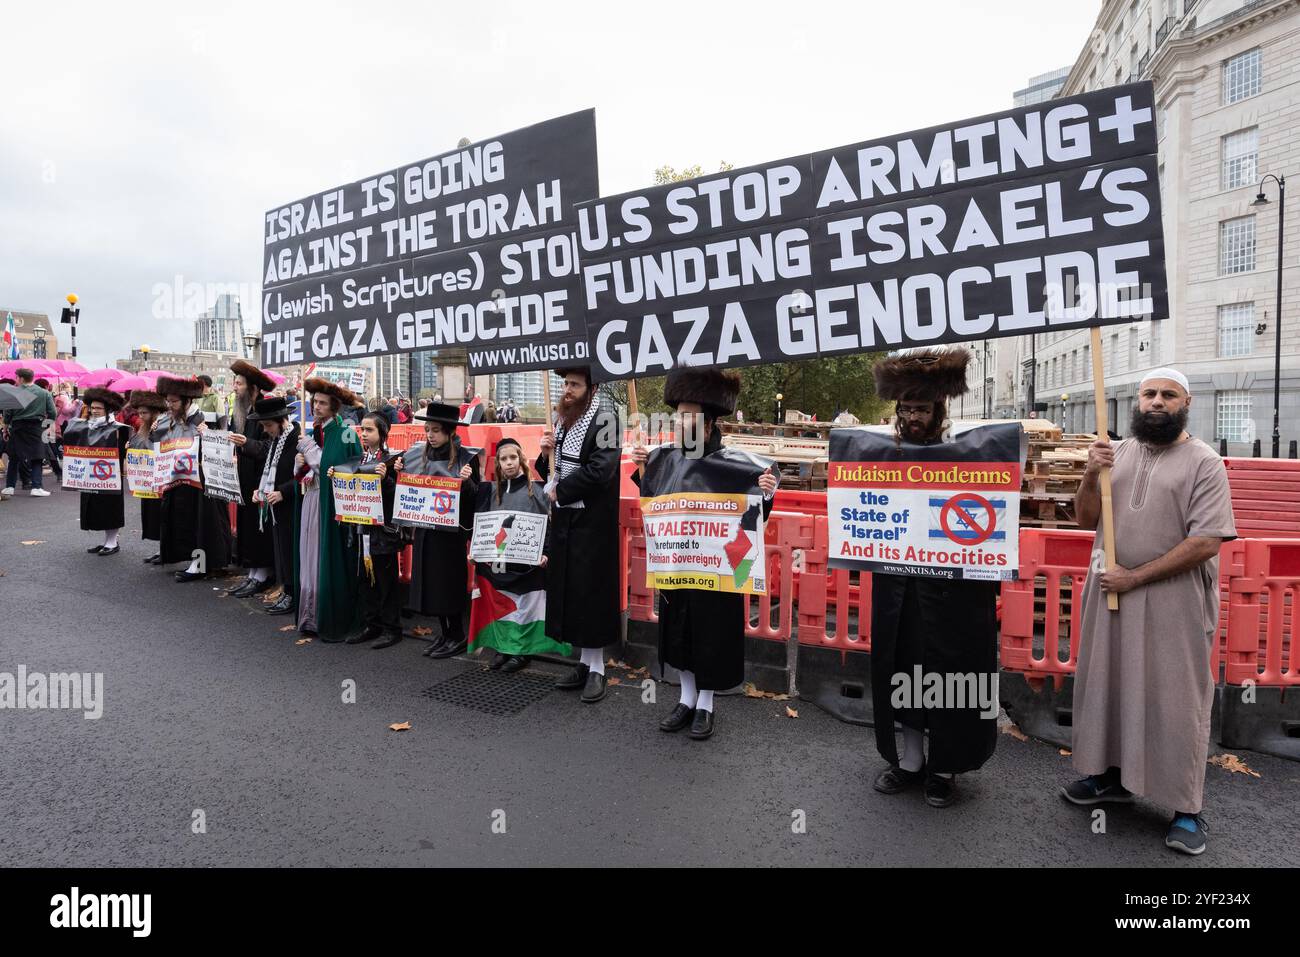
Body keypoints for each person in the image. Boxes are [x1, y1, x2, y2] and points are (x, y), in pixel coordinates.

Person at [1062, 368, 1237, 856]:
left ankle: (1187, 808)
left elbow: (1206, 540)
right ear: (1136, 401)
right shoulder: (1115, 453)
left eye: (1168, 395)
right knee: (1110, 684)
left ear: (1186, 402)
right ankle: (1110, 778)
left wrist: (1136, 578)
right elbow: (1086, 519)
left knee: (1175, 698)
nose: (1156, 401)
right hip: (1110, 593)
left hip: (1172, 601)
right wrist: (1088, 473)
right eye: (1149, 394)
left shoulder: (1205, 462)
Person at [868, 348, 999, 808]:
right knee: (900, 668)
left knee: (949, 674)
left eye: (920, 408)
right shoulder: (881, 452)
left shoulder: (971, 450)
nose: (911, 417)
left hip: (955, 591)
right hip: (898, 588)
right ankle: (908, 761)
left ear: (938, 409)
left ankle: (944, 768)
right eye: (904, 409)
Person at [630, 368, 777, 739]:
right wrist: (642, 470)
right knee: (678, 632)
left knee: (710, 634)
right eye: (678, 416)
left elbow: (752, 516)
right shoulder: (664, 460)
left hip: (716, 572)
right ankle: (686, 697)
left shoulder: (734, 464)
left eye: (688, 417)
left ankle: (706, 704)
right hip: (678, 567)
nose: (680, 423)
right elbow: (652, 502)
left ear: (709, 424)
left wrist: (766, 492)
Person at [535, 366, 622, 703]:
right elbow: (550, 472)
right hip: (566, 519)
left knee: (591, 594)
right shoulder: (562, 420)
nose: (568, 390)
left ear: (591, 386)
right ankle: (584, 663)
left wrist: (563, 490)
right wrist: (545, 455)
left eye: (575, 384)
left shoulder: (608, 420)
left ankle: (598, 667)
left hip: (592, 521)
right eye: (566, 383)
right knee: (572, 592)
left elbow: (602, 469)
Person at [468, 437, 565, 672]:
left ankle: (521, 653)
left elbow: (551, 524)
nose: (509, 463)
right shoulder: (491, 491)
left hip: (528, 564)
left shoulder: (540, 490)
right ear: (498, 464)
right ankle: (504, 648)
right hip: (500, 562)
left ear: (521, 460)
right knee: (502, 607)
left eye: (513, 458)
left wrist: (546, 553)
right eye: (503, 459)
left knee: (523, 608)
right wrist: (476, 550)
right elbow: (482, 525)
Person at [397, 401, 479, 658]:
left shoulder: (467, 458)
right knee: (431, 585)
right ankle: (444, 633)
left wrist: (466, 484)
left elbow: (476, 497)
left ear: (450, 432)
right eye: (428, 430)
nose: (430, 435)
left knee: (447, 584)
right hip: (425, 530)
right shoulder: (416, 454)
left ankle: (457, 634)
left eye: (435, 430)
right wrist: (396, 471)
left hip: (449, 535)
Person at [295, 377, 362, 640]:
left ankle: (331, 616)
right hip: (312, 500)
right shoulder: (317, 431)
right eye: (314, 401)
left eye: (322, 403)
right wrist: (300, 461)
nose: (316, 406)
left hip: (332, 504)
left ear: (334, 407)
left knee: (326, 558)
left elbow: (344, 469)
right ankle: (311, 615)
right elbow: (308, 471)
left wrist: (310, 451)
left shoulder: (345, 431)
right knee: (310, 556)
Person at [340, 412, 408, 649]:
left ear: (383, 433)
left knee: (386, 580)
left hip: (383, 531)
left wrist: (387, 479)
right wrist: (337, 477)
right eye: (363, 430)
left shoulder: (393, 460)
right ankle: (372, 624)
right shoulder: (358, 459)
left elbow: (401, 496)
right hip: (361, 528)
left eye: (369, 430)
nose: (364, 435)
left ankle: (392, 628)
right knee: (365, 579)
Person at [154, 375, 232, 581]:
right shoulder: (167, 420)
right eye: (168, 401)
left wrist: (209, 434)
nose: (169, 405)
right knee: (185, 520)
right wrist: (155, 431)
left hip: (202, 479)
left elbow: (223, 442)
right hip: (179, 477)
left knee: (202, 522)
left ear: (187, 401)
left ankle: (201, 565)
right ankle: (192, 560)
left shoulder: (203, 418)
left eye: (174, 401)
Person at [224, 360, 277, 598]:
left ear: (253, 388)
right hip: (244, 476)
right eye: (235, 383)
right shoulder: (241, 409)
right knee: (247, 524)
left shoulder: (265, 409)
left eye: (239, 383)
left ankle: (263, 574)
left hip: (262, 476)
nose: (235, 388)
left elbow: (271, 445)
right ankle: (253, 572)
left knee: (259, 527)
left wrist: (247, 444)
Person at [247, 396, 301, 617]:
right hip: (275, 503)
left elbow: (304, 476)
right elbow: (269, 469)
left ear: (281, 420)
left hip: (291, 503)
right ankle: (286, 589)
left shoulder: (297, 438)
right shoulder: (278, 439)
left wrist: (284, 491)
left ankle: (292, 593)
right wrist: (260, 490)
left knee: (290, 550)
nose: (266, 430)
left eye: (268, 425)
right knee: (281, 549)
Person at [65, 387, 130, 555]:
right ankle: (106, 541)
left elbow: (123, 452)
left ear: (108, 410)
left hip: (109, 475)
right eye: (92, 407)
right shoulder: (85, 425)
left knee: (110, 507)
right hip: (90, 475)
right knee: (95, 508)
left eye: (98, 408)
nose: (94, 410)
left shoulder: (118, 428)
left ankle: (112, 542)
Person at [2, 367, 55, 498]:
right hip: (37, 426)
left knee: (14, 457)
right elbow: (53, 412)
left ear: (20, 378)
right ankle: (36, 487)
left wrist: (5, 429)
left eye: (16, 378)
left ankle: (9, 487)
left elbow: (7, 414)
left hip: (18, 427)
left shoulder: (15, 393)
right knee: (37, 457)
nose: (16, 380)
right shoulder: (44, 393)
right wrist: (46, 426)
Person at [128, 389, 167, 564]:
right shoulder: (144, 427)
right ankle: (161, 549)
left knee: (163, 516)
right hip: (147, 480)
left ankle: (167, 550)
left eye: (144, 413)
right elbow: (140, 444)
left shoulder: (163, 425)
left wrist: (154, 433)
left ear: (155, 412)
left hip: (161, 479)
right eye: (139, 412)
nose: (140, 416)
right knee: (153, 515)